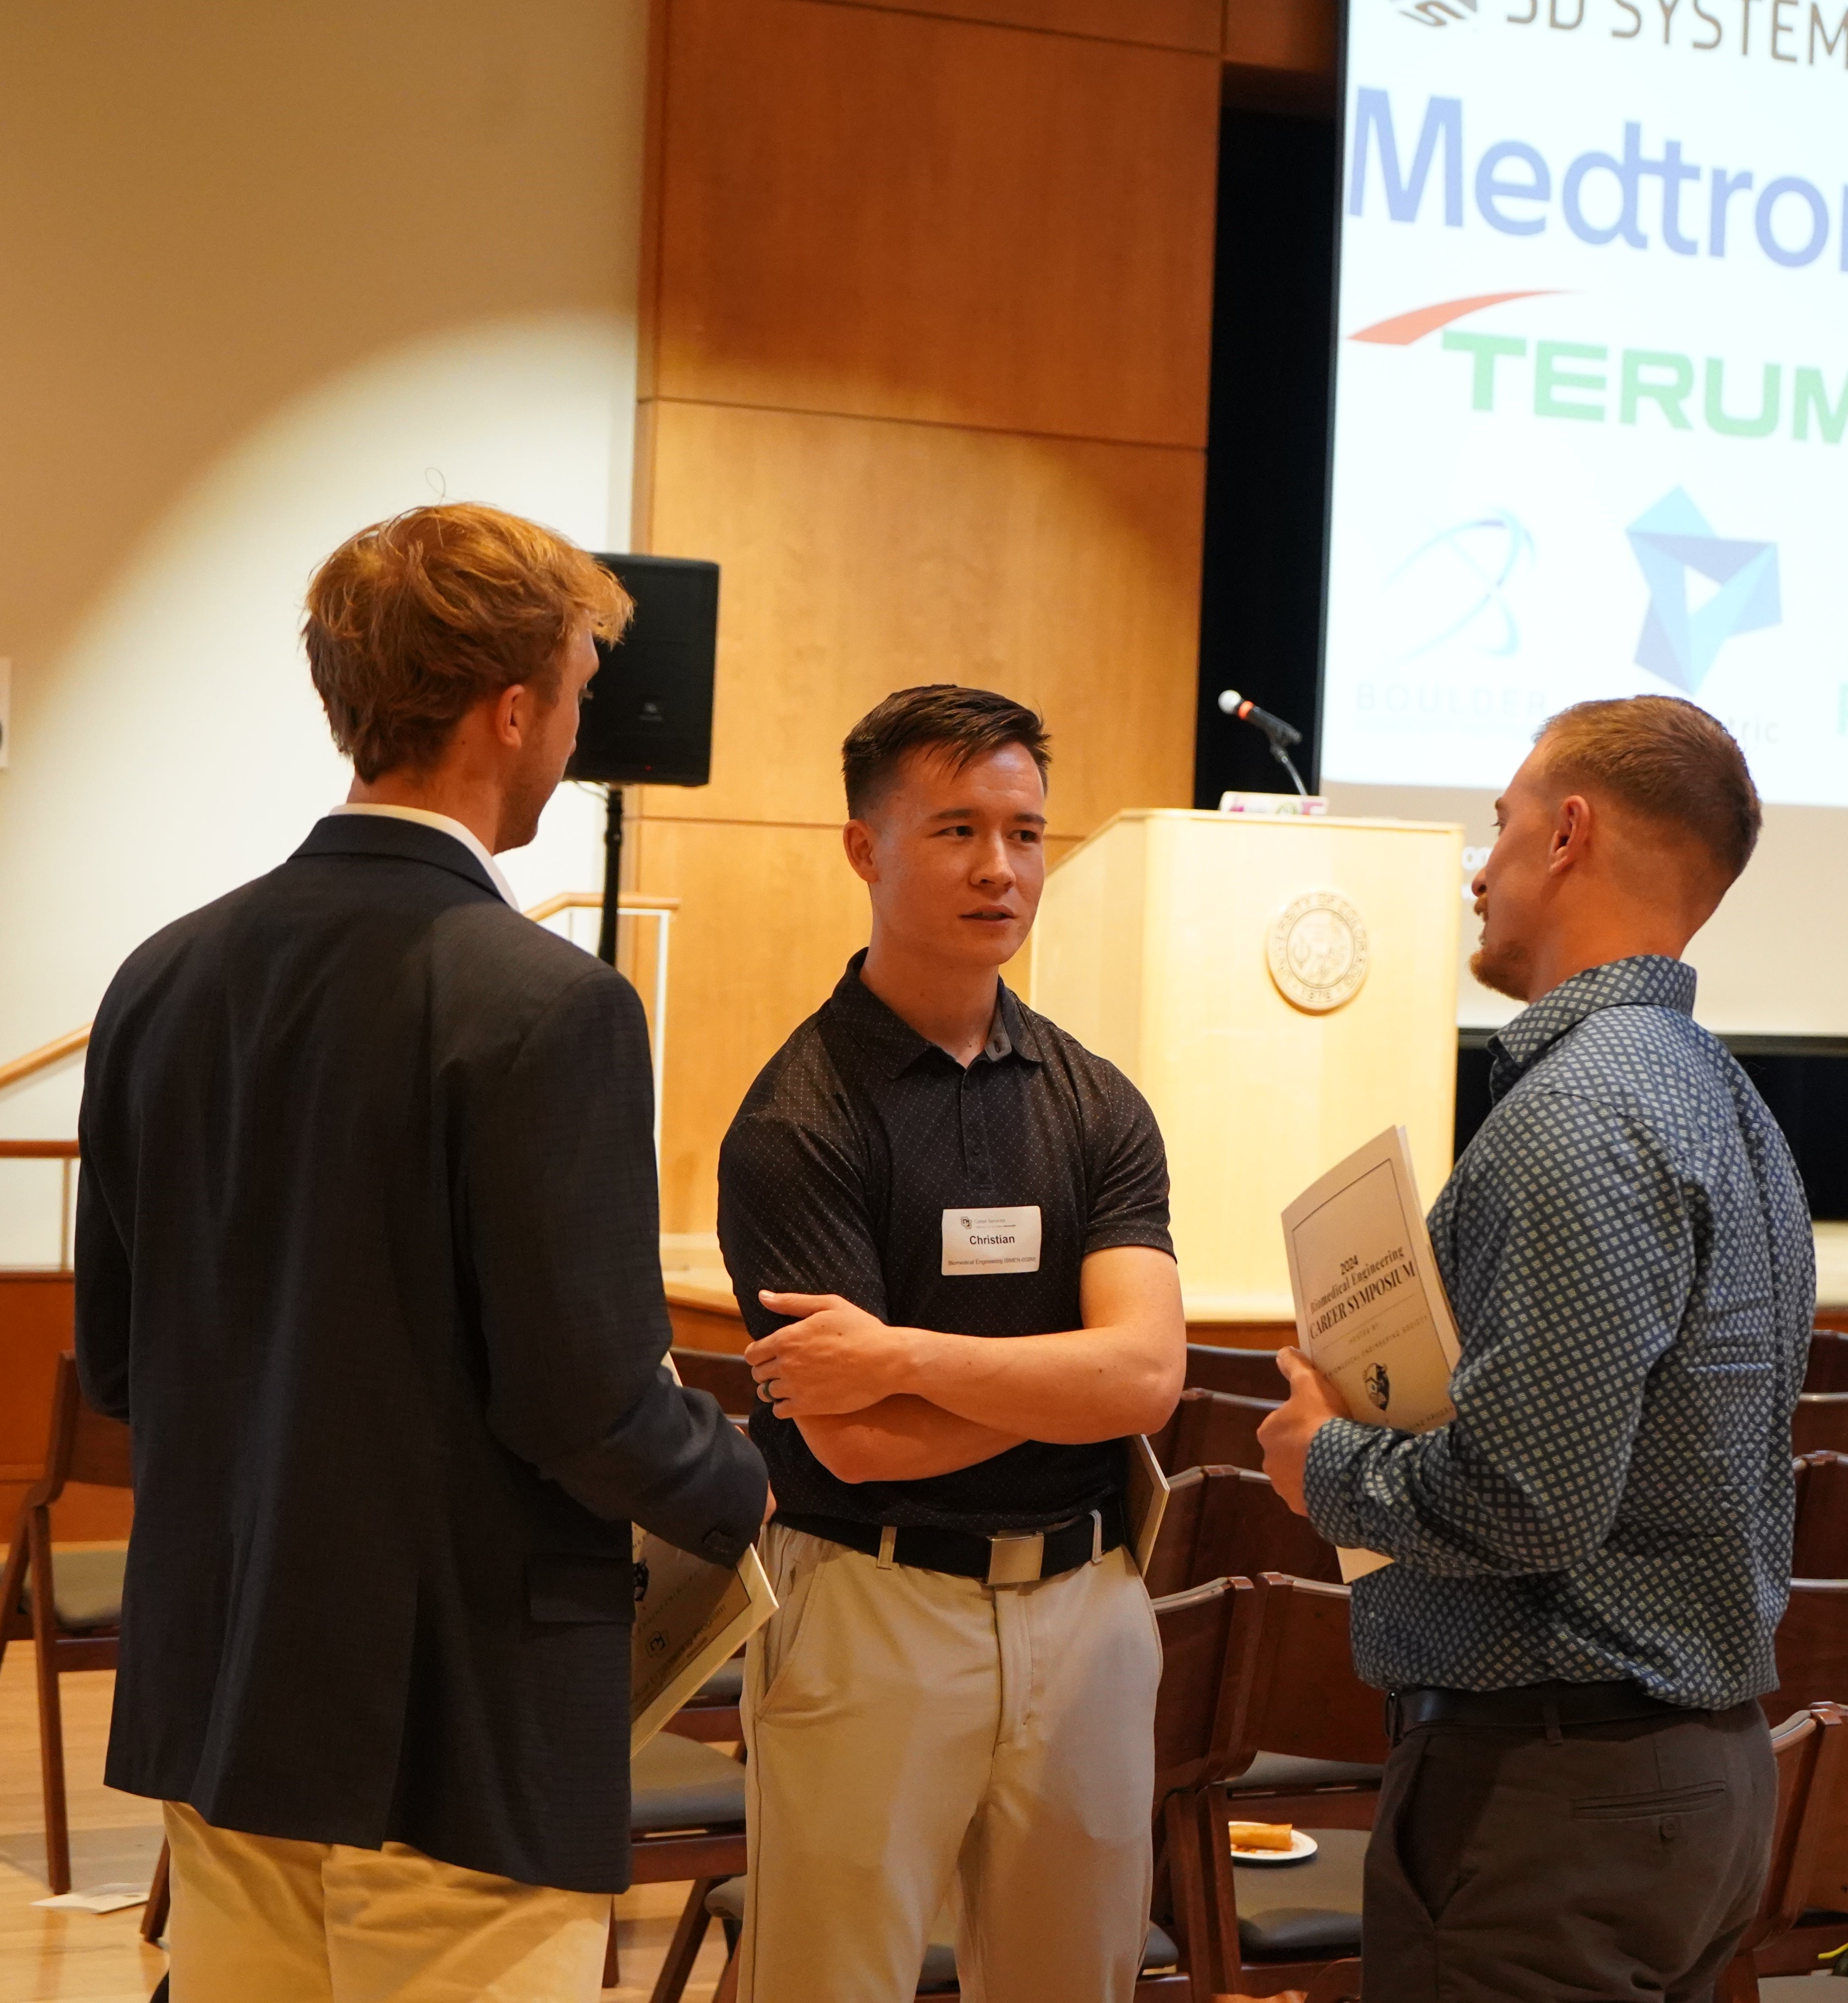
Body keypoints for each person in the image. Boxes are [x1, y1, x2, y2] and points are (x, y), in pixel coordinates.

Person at [74, 504, 768, 2001]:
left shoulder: (161, 977)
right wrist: (742, 1484)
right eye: (578, 692)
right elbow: (586, 1404)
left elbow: (119, 1366)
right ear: (512, 711)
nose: (576, 734)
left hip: (225, 1695)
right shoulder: (553, 1005)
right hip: (457, 1731)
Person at [1258, 694, 1810, 2003]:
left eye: (1497, 825)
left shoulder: (1581, 1115)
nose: (1478, 868)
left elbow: (1526, 1499)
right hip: (1686, 1783)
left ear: (1568, 835)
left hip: (1554, 1795)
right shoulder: (1725, 1099)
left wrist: (1320, 1461)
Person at [718, 684, 1187, 2003]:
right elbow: (859, 1446)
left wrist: (907, 1357)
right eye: (958, 830)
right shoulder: (797, 1119)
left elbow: (1147, 1378)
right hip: (874, 1605)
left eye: (1026, 833)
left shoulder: (1097, 1101)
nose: (1001, 868)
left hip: (1088, 1610)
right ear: (864, 849)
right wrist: (1067, 1383)